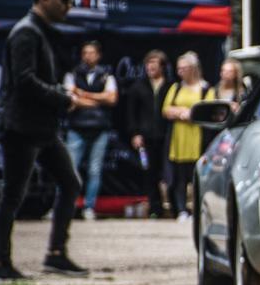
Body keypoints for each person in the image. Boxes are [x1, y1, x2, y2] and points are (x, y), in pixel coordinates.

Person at [0, 0, 93, 280]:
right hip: (20, 127)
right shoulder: (26, 32)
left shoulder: (39, 31)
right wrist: (63, 98)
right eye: (64, 0)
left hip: (40, 127)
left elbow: (36, 80)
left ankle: (56, 254)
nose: (68, 6)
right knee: (13, 194)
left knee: (70, 183)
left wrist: (60, 94)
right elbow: (24, 81)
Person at [63, 40, 118, 220]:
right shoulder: (72, 74)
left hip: (99, 128)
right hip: (76, 127)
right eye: (85, 52)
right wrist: (97, 100)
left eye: (91, 52)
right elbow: (70, 100)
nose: (88, 56)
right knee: (70, 169)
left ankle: (89, 207)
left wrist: (83, 94)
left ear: (98, 55)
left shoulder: (106, 76)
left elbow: (112, 99)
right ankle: (65, 206)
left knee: (95, 170)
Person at [161, 52, 211, 220]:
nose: (180, 71)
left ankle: (198, 210)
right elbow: (166, 109)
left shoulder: (205, 89)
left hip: (198, 139)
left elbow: (209, 110)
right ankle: (181, 210)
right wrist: (181, 112)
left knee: (197, 178)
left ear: (193, 68)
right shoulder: (176, 88)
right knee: (179, 178)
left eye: (184, 68)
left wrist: (191, 114)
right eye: (178, 68)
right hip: (179, 140)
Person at [125, 50, 170, 217]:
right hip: (146, 136)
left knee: (167, 171)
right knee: (150, 172)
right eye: (148, 64)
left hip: (166, 135)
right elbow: (131, 113)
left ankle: (172, 204)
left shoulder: (171, 85)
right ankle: (155, 207)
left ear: (162, 66)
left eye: (154, 64)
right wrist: (135, 133)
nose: (150, 67)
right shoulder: (138, 86)